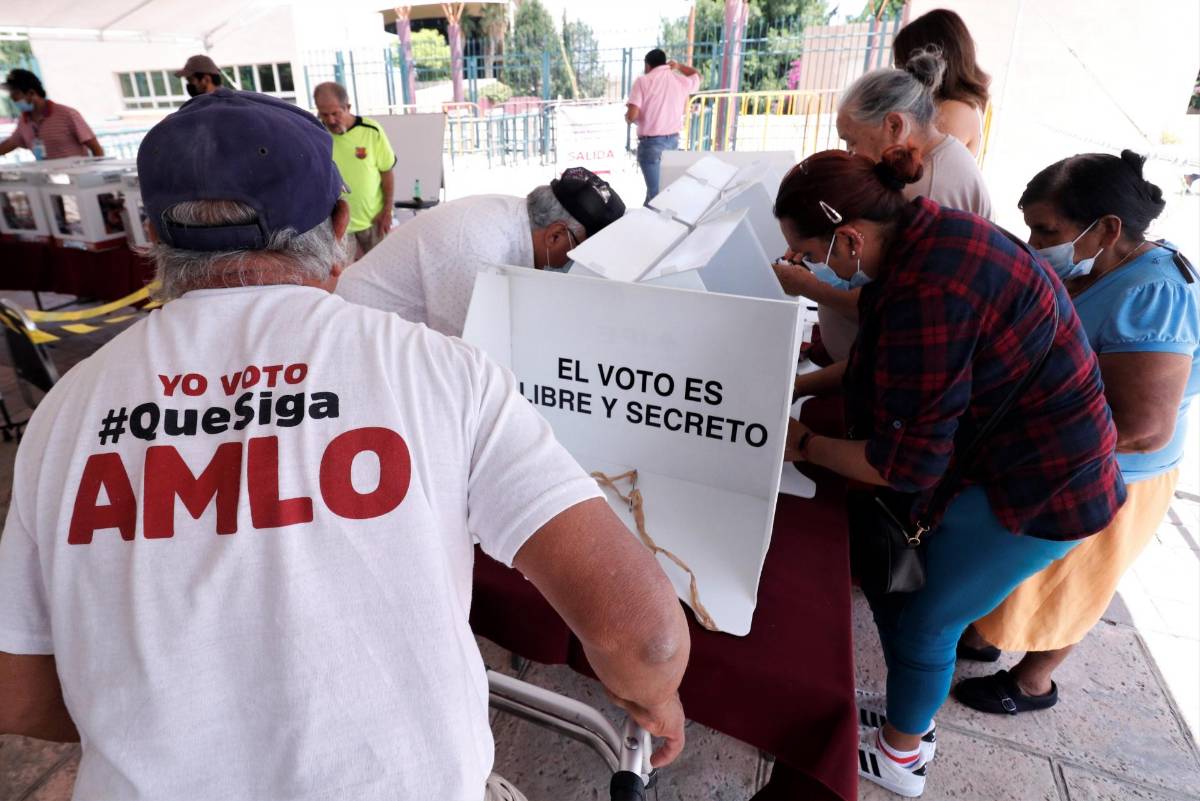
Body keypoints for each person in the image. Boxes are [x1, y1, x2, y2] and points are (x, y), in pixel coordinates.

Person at [0, 89, 689, 801]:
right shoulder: (442, 372)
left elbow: (16, 689)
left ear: (150, 234)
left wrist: (172, 724)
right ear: (338, 224)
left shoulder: (66, 410)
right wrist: (657, 699)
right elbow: (646, 637)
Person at [779, 148, 1124, 797]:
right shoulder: (928, 238)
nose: (805, 266)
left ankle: (902, 756)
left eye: (808, 254)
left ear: (849, 238)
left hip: (1045, 486)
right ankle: (909, 716)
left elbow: (902, 463)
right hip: (1004, 459)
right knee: (908, 600)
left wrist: (803, 444)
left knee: (927, 618)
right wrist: (792, 386)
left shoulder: (930, 289)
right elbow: (879, 363)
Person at [953, 151, 1199, 714]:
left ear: (1107, 228)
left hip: (1116, 471)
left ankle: (1032, 683)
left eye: (1047, 231)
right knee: (1028, 571)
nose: (1035, 243)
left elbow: (1142, 427)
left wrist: (1024, 438)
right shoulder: (1102, 267)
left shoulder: (1154, 293)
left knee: (1072, 582)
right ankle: (986, 636)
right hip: (1067, 453)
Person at [777, 48, 992, 362]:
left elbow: (894, 306)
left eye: (852, 141)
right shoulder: (926, 166)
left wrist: (809, 286)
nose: (851, 155)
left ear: (894, 126)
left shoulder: (930, 188)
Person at [336, 167, 624, 337]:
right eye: (584, 252)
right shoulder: (477, 252)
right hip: (356, 336)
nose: (582, 264)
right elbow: (468, 355)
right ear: (556, 236)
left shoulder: (513, 217)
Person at [313, 81, 396, 257]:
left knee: (381, 267)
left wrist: (387, 210)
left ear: (348, 107)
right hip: (335, 225)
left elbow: (386, 171)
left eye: (335, 113)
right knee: (342, 274)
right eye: (324, 114)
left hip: (373, 220)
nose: (330, 120)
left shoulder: (371, 131)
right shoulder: (317, 134)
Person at [892, 8, 990, 157]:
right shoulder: (953, 105)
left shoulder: (954, 110)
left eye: (904, 66)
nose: (903, 75)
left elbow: (919, 166)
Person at [625, 49, 701, 204]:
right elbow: (697, 75)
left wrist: (628, 117)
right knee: (658, 193)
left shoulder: (643, 81)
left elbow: (632, 115)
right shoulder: (679, 80)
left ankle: (651, 219)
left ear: (647, 65)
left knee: (656, 197)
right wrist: (678, 66)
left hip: (651, 145)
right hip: (673, 143)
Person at [0, 69, 103, 160]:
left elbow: (96, 149)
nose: (12, 98)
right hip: (47, 175)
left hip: (77, 175)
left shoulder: (67, 114)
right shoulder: (24, 121)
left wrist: (96, 172)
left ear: (31, 93)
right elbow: (10, 144)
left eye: (16, 94)